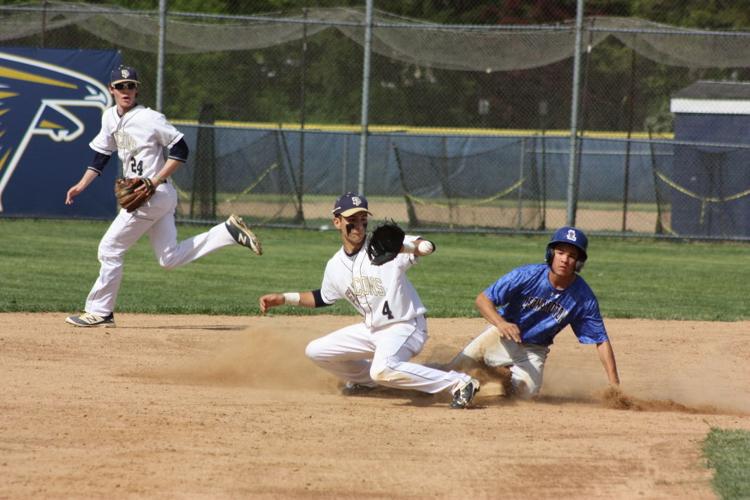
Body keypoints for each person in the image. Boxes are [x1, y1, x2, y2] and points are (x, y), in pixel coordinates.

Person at [64, 65, 262, 328]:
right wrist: (81, 185)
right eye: (121, 86)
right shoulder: (110, 117)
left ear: (137, 89)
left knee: (110, 248)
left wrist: (154, 181)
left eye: (131, 85)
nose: (126, 91)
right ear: (111, 89)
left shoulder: (150, 118)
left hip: (152, 195)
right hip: (155, 196)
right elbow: (101, 156)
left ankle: (100, 311)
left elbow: (180, 148)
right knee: (168, 258)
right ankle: (226, 232)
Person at [259, 192, 480, 409]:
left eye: (362, 220)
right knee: (316, 351)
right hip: (372, 330)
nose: (359, 226)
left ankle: (459, 383)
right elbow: (322, 298)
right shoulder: (335, 265)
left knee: (382, 368)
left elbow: (424, 246)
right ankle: (367, 383)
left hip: (406, 325)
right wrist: (284, 298)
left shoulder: (384, 245)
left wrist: (415, 247)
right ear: (337, 222)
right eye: (351, 220)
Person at [448, 226, 620, 399]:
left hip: (534, 350)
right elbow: (482, 300)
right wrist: (501, 323)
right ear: (551, 254)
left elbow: (601, 340)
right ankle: (488, 373)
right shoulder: (527, 275)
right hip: (502, 337)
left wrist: (615, 386)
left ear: (578, 262)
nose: (565, 260)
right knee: (453, 373)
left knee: (524, 396)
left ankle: (500, 377)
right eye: (560, 253)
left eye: (572, 256)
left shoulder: (583, 297)